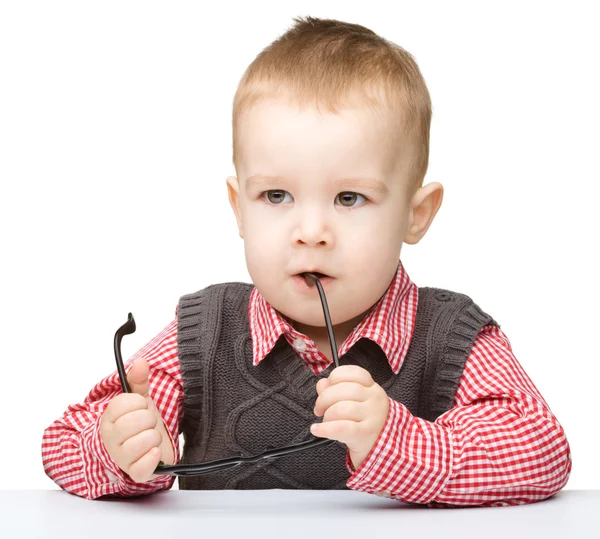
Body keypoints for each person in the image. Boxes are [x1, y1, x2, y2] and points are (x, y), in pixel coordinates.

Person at [42, 15, 572, 507]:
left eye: (349, 199)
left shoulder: (450, 334)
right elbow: (62, 442)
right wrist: (117, 451)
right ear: (239, 210)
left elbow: (541, 451)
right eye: (276, 196)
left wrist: (399, 441)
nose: (311, 233)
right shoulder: (204, 331)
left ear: (417, 215)